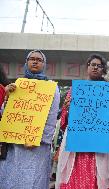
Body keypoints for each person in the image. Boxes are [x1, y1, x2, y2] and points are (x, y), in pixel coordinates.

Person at [56, 53, 109, 189]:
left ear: (103, 69)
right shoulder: (75, 90)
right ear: (87, 67)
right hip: (78, 144)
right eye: (93, 65)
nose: (96, 68)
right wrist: (67, 109)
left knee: (98, 179)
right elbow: (64, 121)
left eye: (99, 66)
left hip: (100, 144)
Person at [0, 50, 60, 189]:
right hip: (15, 145)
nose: (35, 61)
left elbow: (51, 117)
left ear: (44, 64)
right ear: (26, 62)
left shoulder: (52, 88)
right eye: (31, 59)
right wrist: (6, 97)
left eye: (39, 60)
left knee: (34, 180)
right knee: (12, 179)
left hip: (37, 146)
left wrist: (37, 139)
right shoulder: (17, 85)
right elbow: (5, 114)